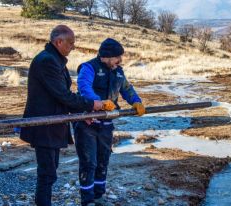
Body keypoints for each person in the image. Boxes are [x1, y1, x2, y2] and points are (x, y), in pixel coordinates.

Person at [20, 25, 104, 206]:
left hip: (54, 124)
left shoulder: (57, 60)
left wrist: (82, 114)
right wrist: (91, 104)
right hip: (44, 125)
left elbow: (62, 95)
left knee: (50, 171)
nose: (73, 47)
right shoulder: (47, 61)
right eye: (71, 43)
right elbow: (62, 95)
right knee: (47, 173)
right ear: (59, 42)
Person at [74, 38, 145, 206]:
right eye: (117, 57)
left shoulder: (118, 71)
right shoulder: (88, 68)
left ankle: (99, 195)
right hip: (87, 124)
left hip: (106, 125)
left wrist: (136, 101)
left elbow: (127, 89)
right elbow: (84, 87)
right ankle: (87, 199)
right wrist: (99, 102)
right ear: (106, 56)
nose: (120, 60)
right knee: (89, 162)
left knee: (103, 160)